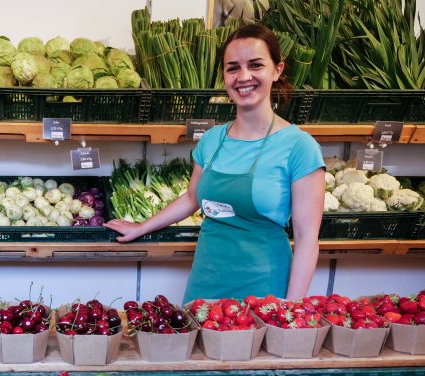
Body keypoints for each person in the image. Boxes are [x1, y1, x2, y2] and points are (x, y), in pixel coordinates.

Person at [105, 23, 325, 303]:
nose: (243, 77)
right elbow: (192, 198)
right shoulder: (212, 140)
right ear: (224, 76)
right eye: (233, 68)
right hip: (206, 279)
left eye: (255, 65)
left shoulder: (299, 147)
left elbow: (307, 239)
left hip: (264, 286)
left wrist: (291, 307)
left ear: (277, 70)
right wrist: (142, 226)